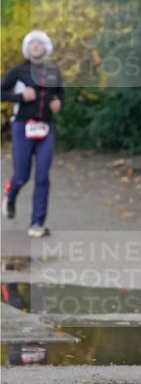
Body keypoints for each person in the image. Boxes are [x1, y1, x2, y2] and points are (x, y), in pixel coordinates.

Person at [2, 30, 63, 237]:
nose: (36, 47)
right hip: (22, 127)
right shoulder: (18, 72)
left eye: (40, 44)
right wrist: (20, 96)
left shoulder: (53, 72)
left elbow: (59, 93)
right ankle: (11, 193)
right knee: (22, 174)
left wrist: (58, 103)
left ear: (46, 48)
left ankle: (36, 223)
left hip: (45, 127)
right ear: (27, 49)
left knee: (43, 176)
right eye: (32, 44)